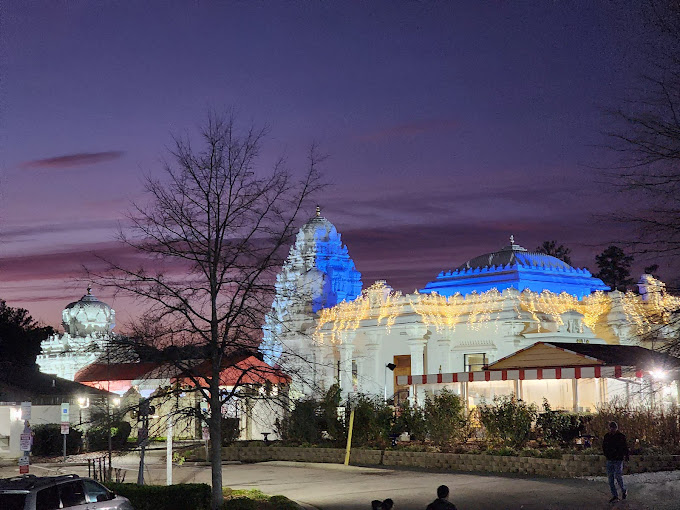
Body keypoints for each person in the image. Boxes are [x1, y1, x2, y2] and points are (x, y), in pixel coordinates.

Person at [602, 421, 629, 503]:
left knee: (618, 476)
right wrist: (606, 454)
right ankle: (615, 495)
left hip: (618, 459)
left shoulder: (621, 436)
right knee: (610, 479)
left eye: (613, 428)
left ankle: (623, 490)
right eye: (611, 428)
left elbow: (625, 447)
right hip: (610, 459)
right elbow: (604, 446)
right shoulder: (607, 436)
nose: (612, 430)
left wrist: (626, 456)